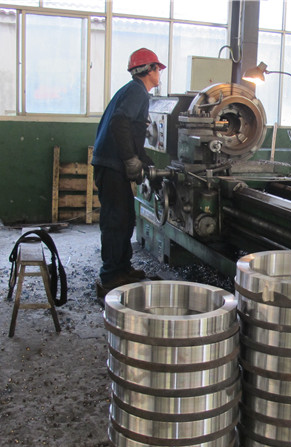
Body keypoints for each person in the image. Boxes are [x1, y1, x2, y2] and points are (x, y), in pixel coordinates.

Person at [92, 48, 164, 297]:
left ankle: (121, 268)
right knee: (116, 220)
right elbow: (119, 123)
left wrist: (144, 161)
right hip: (112, 164)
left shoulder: (131, 90)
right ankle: (111, 275)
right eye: (158, 69)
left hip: (111, 162)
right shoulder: (137, 91)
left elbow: (133, 136)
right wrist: (130, 159)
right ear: (149, 70)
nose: (159, 73)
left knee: (124, 218)